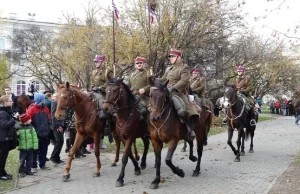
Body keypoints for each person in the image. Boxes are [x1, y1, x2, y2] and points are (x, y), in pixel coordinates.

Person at [160, 49, 199, 140]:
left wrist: (173, 88)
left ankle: (189, 129)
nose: (171, 58)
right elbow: (163, 79)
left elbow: (184, 81)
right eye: (170, 57)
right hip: (166, 92)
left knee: (182, 110)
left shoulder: (184, 67)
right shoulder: (169, 68)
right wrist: (156, 81)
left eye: (173, 56)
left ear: (179, 57)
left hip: (179, 93)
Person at [91, 55, 114, 149]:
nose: (96, 63)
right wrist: (93, 88)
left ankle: (107, 123)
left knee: (102, 104)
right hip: (94, 92)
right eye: (95, 62)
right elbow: (92, 82)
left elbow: (111, 82)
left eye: (98, 61)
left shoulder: (108, 71)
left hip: (105, 94)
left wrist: (100, 88)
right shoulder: (93, 72)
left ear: (103, 62)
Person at [27, 93, 51, 172]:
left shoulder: (46, 109)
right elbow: (29, 122)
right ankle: (34, 166)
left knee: (44, 150)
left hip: (45, 134)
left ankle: (42, 164)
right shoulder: (31, 109)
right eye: (43, 98)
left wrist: (48, 129)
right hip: (36, 134)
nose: (44, 100)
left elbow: (49, 120)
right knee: (35, 151)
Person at [128, 57, 151, 123]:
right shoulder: (132, 75)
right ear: (135, 65)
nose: (139, 64)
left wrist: (145, 89)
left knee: (144, 110)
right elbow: (128, 86)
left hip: (144, 97)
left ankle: (146, 128)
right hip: (132, 96)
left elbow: (152, 85)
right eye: (137, 63)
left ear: (144, 64)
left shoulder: (148, 73)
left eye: (140, 63)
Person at [16, 113, 38, 177]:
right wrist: (16, 135)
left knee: (30, 160)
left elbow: (34, 137)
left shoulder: (31, 127)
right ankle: (21, 171)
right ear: (25, 121)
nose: (31, 120)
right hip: (22, 148)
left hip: (30, 147)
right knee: (22, 160)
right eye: (29, 119)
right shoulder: (18, 128)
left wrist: (35, 145)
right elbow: (16, 138)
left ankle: (28, 170)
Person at [0, 95, 16, 180]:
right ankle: (1, 174)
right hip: (3, 139)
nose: (12, 102)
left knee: (4, 156)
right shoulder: (2, 113)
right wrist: (14, 119)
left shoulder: (7, 111)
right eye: (10, 101)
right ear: (5, 103)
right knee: (2, 157)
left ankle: (3, 172)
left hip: (6, 138)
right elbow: (4, 125)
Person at [49, 93, 65, 165]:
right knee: (59, 141)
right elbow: (53, 116)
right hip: (57, 126)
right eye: (55, 96)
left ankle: (57, 158)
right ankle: (53, 157)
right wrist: (58, 126)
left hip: (60, 125)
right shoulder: (55, 103)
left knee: (60, 141)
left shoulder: (59, 103)